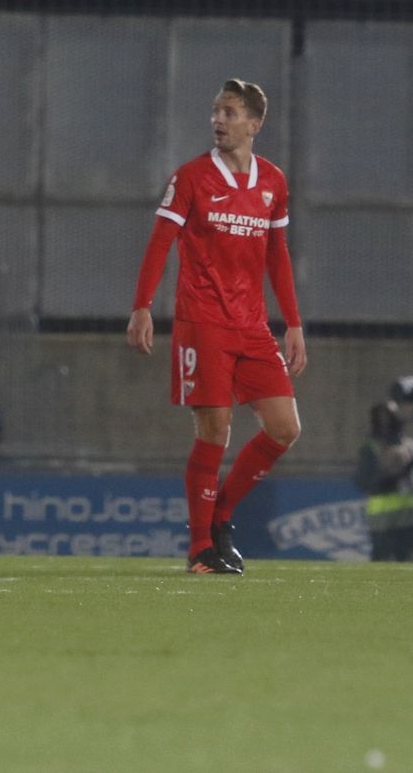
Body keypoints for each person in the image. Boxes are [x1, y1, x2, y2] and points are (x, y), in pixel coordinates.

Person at [126, 78, 306, 575]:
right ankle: (200, 550)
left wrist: (292, 322)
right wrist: (142, 306)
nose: (218, 120)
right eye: (215, 112)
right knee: (216, 429)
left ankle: (220, 512)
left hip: (252, 326)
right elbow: (161, 240)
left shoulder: (273, 181)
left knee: (285, 427)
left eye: (229, 112)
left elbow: (277, 256)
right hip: (202, 321)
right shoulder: (191, 177)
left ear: (255, 123)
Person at [353, 401, 413, 562]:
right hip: (382, 519)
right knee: (382, 560)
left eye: (389, 417)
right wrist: (398, 474)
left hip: (409, 517)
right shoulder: (371, 447)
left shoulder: (411, 446)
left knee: (406, 561)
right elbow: (364, 481)